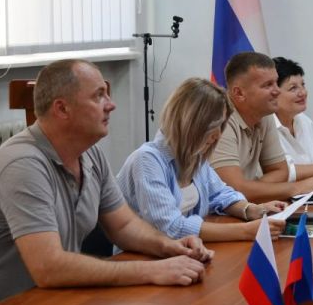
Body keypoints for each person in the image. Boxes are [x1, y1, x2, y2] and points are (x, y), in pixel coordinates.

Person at [0, 59, 213, 305]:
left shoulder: (90, 153)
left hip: (47, 300)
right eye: (99, 95)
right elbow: (49, 266)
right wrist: (152, 270)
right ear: (62, 108)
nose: (111, 104)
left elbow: (124, 225)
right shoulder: (22, 164)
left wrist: (171, 246)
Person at [117, 78, 286, 242]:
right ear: (190, 122)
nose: (218, 135)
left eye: (222, 126)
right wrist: (246, 231)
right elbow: (171, 227)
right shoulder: (147, 160)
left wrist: (252, 210)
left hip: (185, 252)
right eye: (214, 126)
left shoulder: (195, 156)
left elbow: (221, 195)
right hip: (143, 258)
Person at [210, 51, 313, 202]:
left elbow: (281, 171)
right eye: (267, 85)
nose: (277, 91)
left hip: (243, 206)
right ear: (239, 93)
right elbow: (233, 190)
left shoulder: (264, 114)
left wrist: (249, 187)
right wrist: (298, 188)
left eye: (276, 82)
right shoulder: (220, 119)